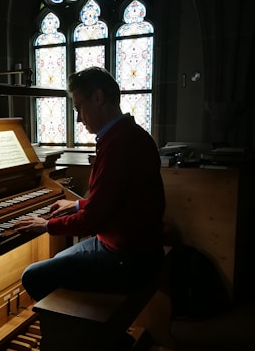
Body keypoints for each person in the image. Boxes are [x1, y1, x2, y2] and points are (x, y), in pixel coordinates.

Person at [14, 66, 166, 302]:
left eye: (78, 107)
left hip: (126, 259)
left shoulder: (117, 145)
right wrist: (77, 205)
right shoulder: (133, 134)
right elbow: (118, 199)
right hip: (143, 251)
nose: (77, 118)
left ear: (97, 97)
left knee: (33, 275)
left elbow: (94, 220)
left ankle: (81, 334)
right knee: (56, 261)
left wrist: (46, 225)